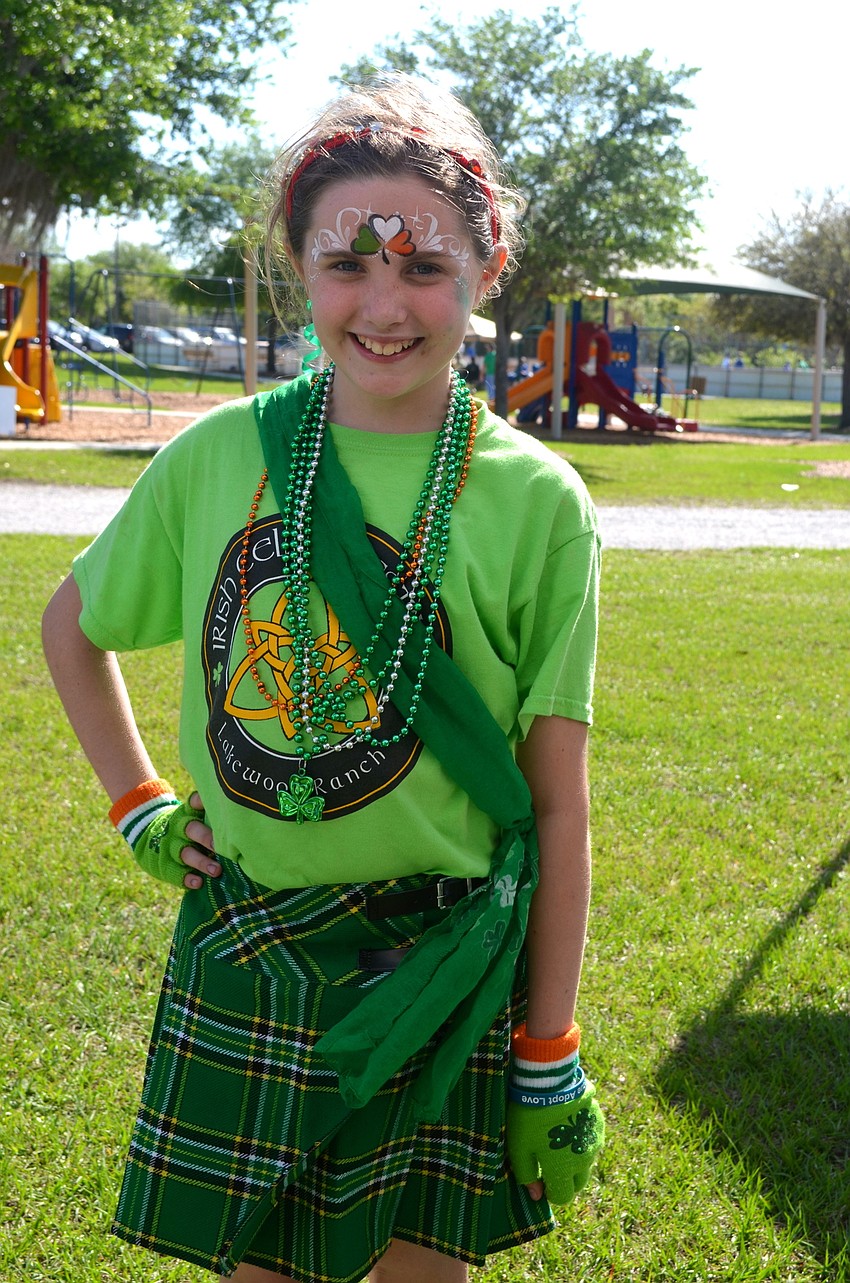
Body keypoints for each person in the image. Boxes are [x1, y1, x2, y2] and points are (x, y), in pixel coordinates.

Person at [42, 74, 603, 1283]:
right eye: (349, 262)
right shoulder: (215, 457)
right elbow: (71, 629)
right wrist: (136, 800)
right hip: (255, 946)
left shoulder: (536, 500)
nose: (384, 303)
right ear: (301, 266)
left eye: (424, 265)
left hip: (442, 966)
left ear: (487, 267)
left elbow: (555, 801)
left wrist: (547, 1043)